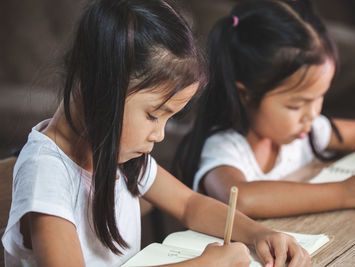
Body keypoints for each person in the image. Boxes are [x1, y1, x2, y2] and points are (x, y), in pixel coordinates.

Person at [1, 0, 311, 266]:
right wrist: (203, 263)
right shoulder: (46, 172)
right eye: (153, 115)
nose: (159, 135)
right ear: (97, 87)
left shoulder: (116, 150)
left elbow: (190, 205)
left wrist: (260, 235)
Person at [174, 0, 355, 218]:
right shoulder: (225, 147)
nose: (311, 114)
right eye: (296, 105)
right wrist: (346, 193)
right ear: (246, 94)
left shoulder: (306, 131)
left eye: (319, 97)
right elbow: (239, 199)